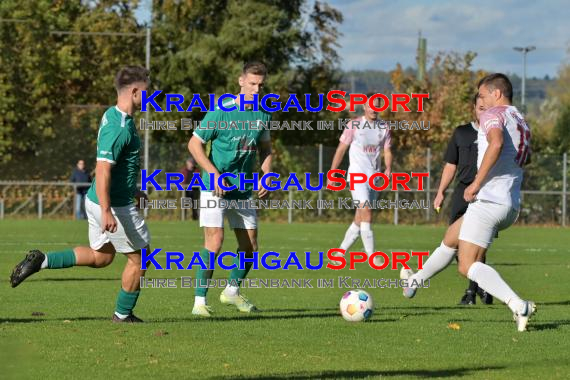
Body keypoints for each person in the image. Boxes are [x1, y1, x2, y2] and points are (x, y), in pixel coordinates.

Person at [10, 66, 151, 323]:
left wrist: (134, 190)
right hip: (112, 206)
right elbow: (104, 169)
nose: (149, 97)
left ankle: (42, 261)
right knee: (141, 258)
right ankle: (123, 314)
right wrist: (108, 209)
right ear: (134, 91)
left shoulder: (112, 115)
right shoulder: (119, 127)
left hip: (97, 200)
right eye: (147, 92)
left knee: (102, 257)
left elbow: (118, 168)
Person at [401, 73, 534, 332]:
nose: (480, 102)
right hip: (509, 202)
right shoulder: (520, 119)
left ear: (497, 93)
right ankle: (415, 281)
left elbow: (495, 144)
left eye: (483, 95)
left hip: (489, 199)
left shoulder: (493, 114)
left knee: (466, 265)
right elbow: (523, 157)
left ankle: (518, 305)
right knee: (451, 238)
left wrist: (476, 183)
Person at [187, 61, 272, 317]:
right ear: (241, 81)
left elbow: (266, 148)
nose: (256, 90)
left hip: (243, 188)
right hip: (214, 187)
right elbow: (194, 145)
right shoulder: (221, 111)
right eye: (252, 83)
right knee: (215, 240)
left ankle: (231, 292)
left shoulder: (263, 113)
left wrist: (266, 175)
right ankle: (199, 302)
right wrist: (214, 175)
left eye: (261, 85)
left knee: (250, 246)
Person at [433, 94, 493, 305]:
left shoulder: (495, 136)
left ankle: (471, 292)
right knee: (455, 241)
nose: (483, 112)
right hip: (461, 192)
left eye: (487, 108)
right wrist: (440, 191)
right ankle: (482, 286)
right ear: (473, 109)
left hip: (484, 193)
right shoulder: (461, 133)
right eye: (480, 108)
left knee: (477, 243)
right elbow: (451, 165)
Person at [327, 94, 393, 265]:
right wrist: (332, 173)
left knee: (360, 217)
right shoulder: (354, 124)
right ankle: (372, 256)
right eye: (371, 105)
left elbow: (387, 150)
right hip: (357, 175)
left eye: (378, 106)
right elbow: (341, 149)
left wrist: (388, 169)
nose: (374, 109)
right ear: (364, 106)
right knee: (367, 211)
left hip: (375, 177)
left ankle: (339, 253)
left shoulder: (384, 127)